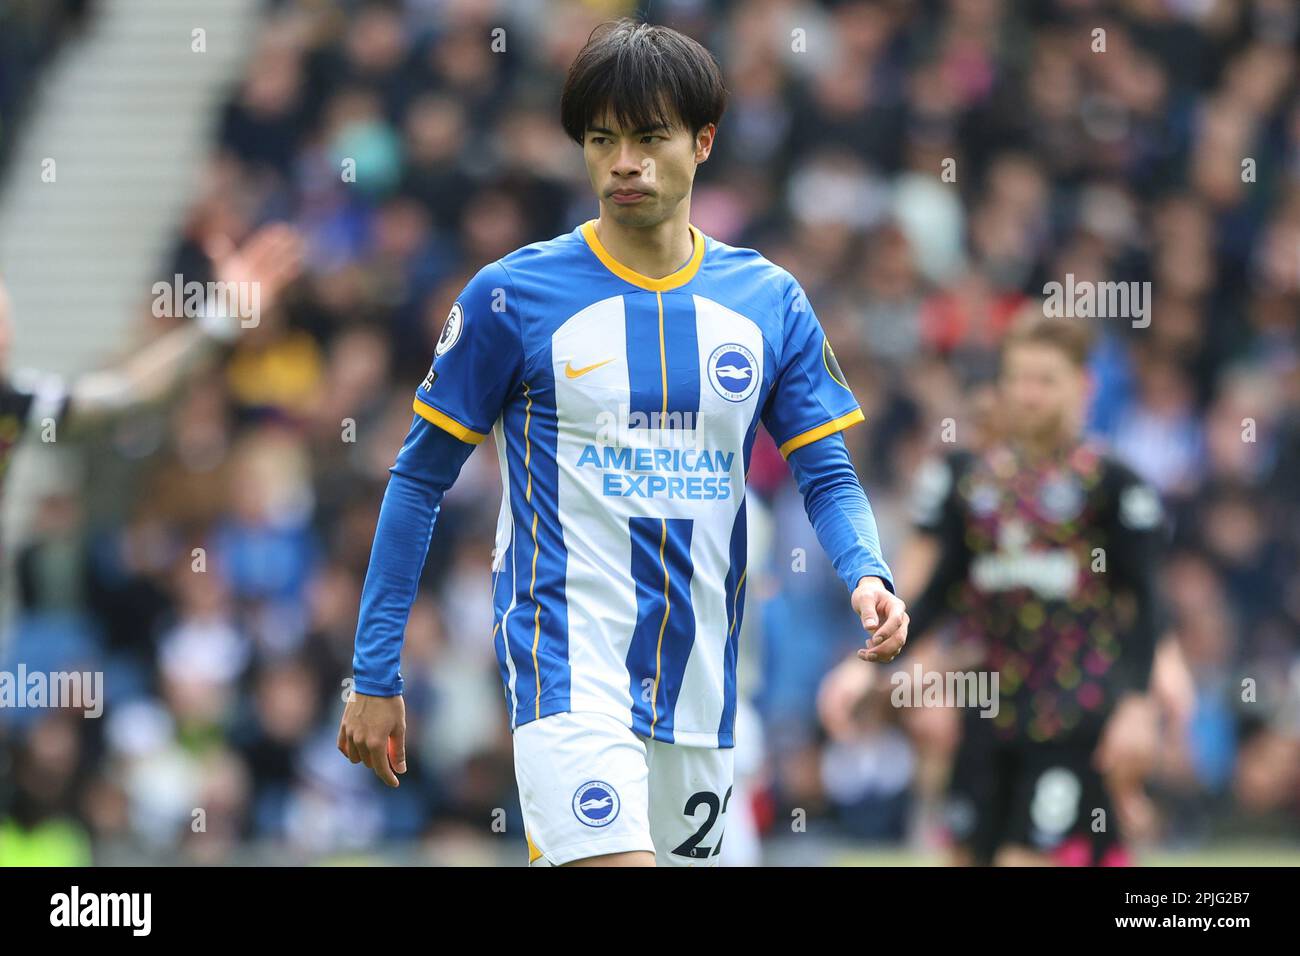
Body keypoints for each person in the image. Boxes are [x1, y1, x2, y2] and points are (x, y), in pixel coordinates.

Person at [338, 18, 907, 867]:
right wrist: (375, 671)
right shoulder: (512, 297)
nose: (624, 162)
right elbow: (417, 480)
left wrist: (867, 570)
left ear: (703, 141)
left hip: (700, 684)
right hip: (563, 660)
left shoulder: (767, 300)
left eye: (649, 137)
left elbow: (823, 470)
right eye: (602, 139)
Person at [824, 310, 1167, 866]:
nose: (1028, 395)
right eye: (1018, 379)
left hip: (1071, 720)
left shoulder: (1112, 486)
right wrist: (863, 667)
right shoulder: (974, 484)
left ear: (1083, 386)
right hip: (983, 719)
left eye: (1045, 380)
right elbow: (937, 595)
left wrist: (1137, 706)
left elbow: (1147, 602)